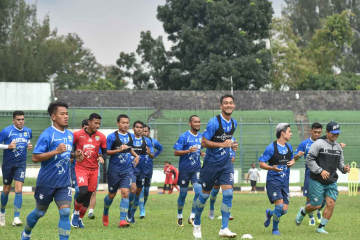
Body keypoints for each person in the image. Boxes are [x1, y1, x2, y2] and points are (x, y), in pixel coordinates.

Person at [21, 101, 83, 240]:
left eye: (67, 113)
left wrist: (75, 155)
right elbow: (36, 157)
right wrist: (55, 151)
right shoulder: (47, 134)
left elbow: (65, 154)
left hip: (64, 182)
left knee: (66, 212)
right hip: (47, 181)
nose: (66, 116)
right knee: (39, 212)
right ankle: (26, 233)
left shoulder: (69, 135)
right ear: (53, 117)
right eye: (62, 114)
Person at [193, 94, 238, 239]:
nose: (228, 105)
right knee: (204, 195)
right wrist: (222, 144)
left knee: (228, 194)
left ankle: (224, 228)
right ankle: (197, 223)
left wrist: (232, 146)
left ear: (234, 105)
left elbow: (228, 141)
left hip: (226, 164)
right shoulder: (214, 122)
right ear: (221, 106)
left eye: (231, 103)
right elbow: (204, 143)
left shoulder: (234, 123)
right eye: (225, 103)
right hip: (211, 164)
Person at [295, 122, 350, 234]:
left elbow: (340, 165)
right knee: (316, 205)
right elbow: (309, 160)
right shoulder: (318, 143)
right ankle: (303, 211)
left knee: (331, 204)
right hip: (317, 180)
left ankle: (321, 227)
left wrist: (344, 168)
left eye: (338, 133)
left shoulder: (339, 147)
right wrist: (320, 171)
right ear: (327, 132)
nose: (336, 135)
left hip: (331, 181)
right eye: (333, 133)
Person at [102, 114, 139, 228]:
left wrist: (136, 155)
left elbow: (130, 149)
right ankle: (105, 212)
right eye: (123, 122)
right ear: (118, 123)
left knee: (125, 193)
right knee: (111, 195)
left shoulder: (131, 136)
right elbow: (106, 152)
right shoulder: (112, 137)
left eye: (127, 123)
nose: (125, 125)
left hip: (127, 170)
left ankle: (122, 220)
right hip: (114, 170)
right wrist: (118, 150)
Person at [71, 113, 107, 228]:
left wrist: (102, 157)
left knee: (89, 194)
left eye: (99, 124)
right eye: (96, 123)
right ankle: (75, 214)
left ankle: (80, 219)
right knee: (83, 191)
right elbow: (69, 148)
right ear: (89, 122)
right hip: (81, 168)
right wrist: (74, 155)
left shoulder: (101, 137)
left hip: (94, 169)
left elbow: (105, 152)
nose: (97, 125)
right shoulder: (77, 135)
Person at [260, 123, 296, 235]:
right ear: (282, 133)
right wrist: (272, 168)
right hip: (273, 180)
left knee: (284, 210)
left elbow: (292, 159)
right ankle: (275, 229)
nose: (291, 134)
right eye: (289, 131)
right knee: (279, 205)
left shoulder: (289, 147)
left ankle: (269, 214)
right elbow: (261, 163)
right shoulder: (271, 147)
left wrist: (293, 162)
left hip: (285, 182)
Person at [0, 111, 32, 227]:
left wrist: (29, 145)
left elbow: (28, 140)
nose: (21, 121)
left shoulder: (28, 131)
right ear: (13, 120)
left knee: (19, 190)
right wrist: (7, 146)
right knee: (6, 190)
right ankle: (2, 214)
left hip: (21, 164)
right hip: (8, 164)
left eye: (23, 119)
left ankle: (16, 218)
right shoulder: (6, 131)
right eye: (19, 119)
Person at [174, 115, 204, 227]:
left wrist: (202, 153)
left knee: (199, 192)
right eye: (195, 122)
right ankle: (179, 216)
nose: (197, 124)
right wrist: (188, 150)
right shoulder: (184, 136)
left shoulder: (201, 137)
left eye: (199, 121)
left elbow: (198, 150)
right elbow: (176, 152)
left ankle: (192, 216)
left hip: (196, 169)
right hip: (184, 170)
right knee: (183, 195)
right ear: (190, 123)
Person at [127, 120, 154, 223]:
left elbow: (152, 155)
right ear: (133, 128)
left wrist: (149, 153)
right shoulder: (129, 139)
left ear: (143, 130)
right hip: (131, 169)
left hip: (142, 170)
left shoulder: (147, 141)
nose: (139, 129)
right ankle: (129, 210)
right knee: (133, 190)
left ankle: (132, 213)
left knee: (138, 193)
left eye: (141, 128)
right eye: (137, 127)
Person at [139, 124, 163, 218]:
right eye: (143, 131)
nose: (144, 133)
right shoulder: (137, 141)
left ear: (149, 132)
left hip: (148, 168)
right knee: (140, 189)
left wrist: (153, 156)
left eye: (146, 131)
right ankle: (142, 210)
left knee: (146, 191)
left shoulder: (153, 142)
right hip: (139, 168)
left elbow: (161, 148)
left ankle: (142, 206)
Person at [208, 137, 236, 220]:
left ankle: (227, 213)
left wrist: (233, 157)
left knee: (229, 191)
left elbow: (233, 150)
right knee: (215, 190)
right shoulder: (216, 137)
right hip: (217, 167)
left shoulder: (232, 138)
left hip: (228, 168)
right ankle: (211, 208)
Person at [70, 119, 89, 214]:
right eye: (85, 127)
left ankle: (79, 215)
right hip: (76, 167)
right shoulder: (77, 136)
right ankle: (75, 212)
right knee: (78, 190)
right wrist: (72, 155)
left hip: (89, 168)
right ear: (82, 127)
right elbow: (69, 147)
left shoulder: (94, 137)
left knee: (86, 193)